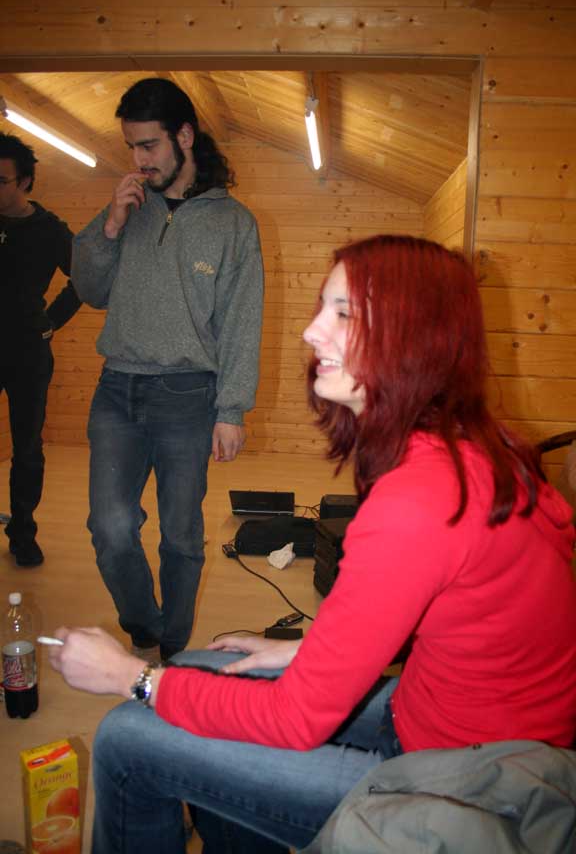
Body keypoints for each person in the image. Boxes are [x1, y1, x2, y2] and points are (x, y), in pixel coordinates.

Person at [50, 235, 576, 853]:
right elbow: (435, 612)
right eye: (323, 307)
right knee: (193, 669)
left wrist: (129, 676)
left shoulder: (419, 498)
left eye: (343, 314)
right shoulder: (464, 446)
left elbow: (294, 721)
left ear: (416, 337)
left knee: (126, 737)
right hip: (450, 721)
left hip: (459, 785)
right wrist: (306, 651)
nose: (310, 331)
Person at [71, 78, 264, 663]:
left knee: (181, 536)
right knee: (109, 527)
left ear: (184, 137)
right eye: (131, 146)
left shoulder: (233, 223)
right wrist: (108, 228)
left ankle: (174, 650)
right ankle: (146, 629)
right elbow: (89, 289)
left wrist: (231, 410)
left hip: (188, 397)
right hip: (117, 391)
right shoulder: (127, 208)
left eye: (149, 145)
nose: (139, 160)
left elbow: (241, 321)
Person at [0, 131, 81, 566]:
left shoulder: (49, 231)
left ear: (26, 182)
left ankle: (23, 532)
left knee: (27, 447)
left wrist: (51, 321)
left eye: (1, 181)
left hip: (26, 353)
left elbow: (83, 279)